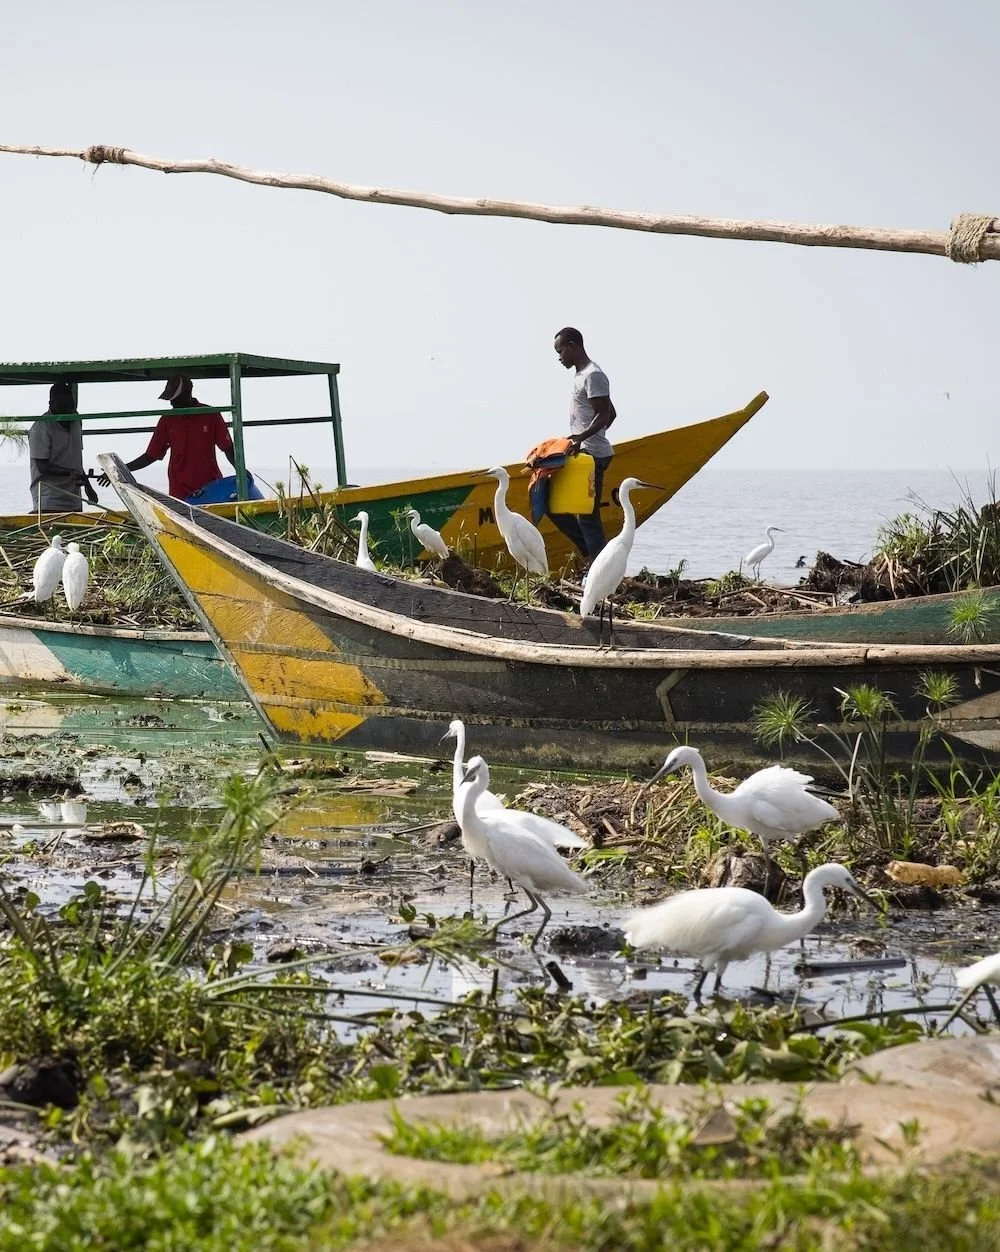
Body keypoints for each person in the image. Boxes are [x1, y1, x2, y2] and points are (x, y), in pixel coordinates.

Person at [99, 375, 236, 501]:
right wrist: (118, 471)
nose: (171, 403)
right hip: (180, 492)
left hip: (210, 488)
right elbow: (150, 456)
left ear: (187, 393)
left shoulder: (210, 415)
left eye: (175, 399)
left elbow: (228, 448)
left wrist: (241, 471)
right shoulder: (167, 420)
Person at [549, 327, 617, 561]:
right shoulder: (580, 375)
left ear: (573, 345)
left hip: (592, 455)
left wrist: (583, 436)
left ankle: (599, 566)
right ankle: (591, 555)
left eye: (561, 351)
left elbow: (605, 414)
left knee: (588, 515)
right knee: (554, 505)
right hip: (583, 452)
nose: (559, 358)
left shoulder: (593, 374)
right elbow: (610, 413)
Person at [29, 382, 92, 513]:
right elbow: (42, 466)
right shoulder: (41, 427)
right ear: (51, 404)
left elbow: (76, 460)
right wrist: (69, 473)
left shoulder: (76, 420)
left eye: (71, 407)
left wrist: (88, 487)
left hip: (74, 496)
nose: (68, 411)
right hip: (49, 497)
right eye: (63, 407)